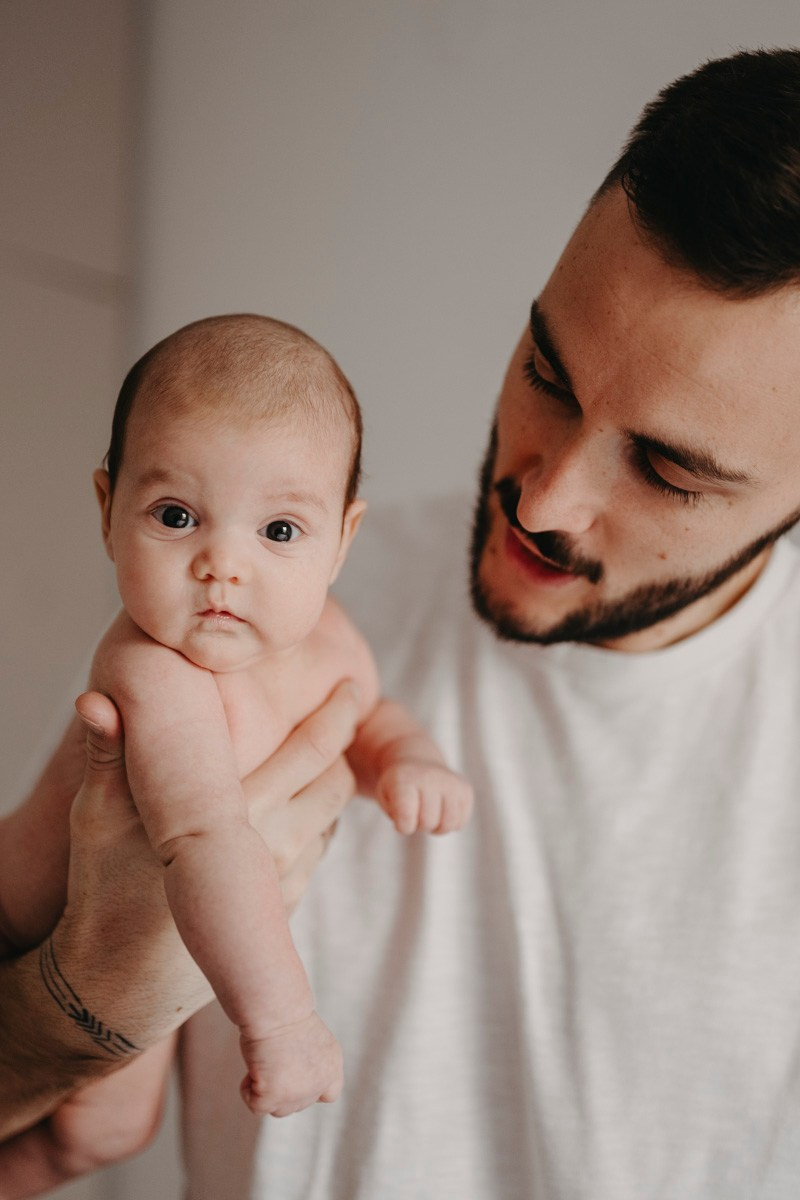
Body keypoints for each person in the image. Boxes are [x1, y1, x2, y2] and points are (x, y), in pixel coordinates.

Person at [4, 43, 800, 1199]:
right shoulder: (261, 605)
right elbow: (71, 1130)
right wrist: (85, 1006)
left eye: (668, 470)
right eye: (546, 371)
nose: (543, 499)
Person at [0, 313, 473, 1161]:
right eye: (177, 515)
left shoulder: (328, 635)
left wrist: (406, 756)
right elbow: (207, 838)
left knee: (107, 1131)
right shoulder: (156, 670)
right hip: (18, 921)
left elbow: (364, 712)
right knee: (89, 1120)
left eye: (279, 531)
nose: (223, 564)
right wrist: (283, 1019)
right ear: (108, 510)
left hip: (145, 942)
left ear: (340, 540)